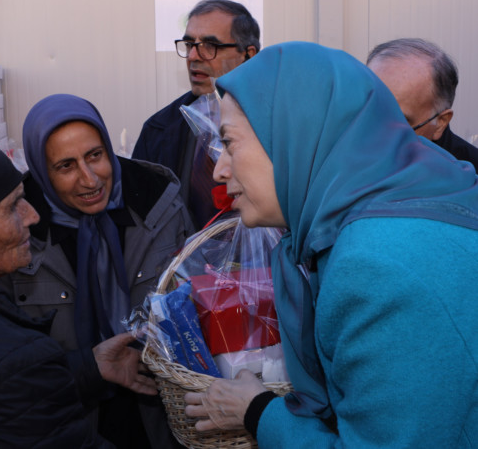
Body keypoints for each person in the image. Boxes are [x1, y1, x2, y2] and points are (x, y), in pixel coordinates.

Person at [184, 42, 478, 447]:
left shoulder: (376, 266)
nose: (219, 169)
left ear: (293, 138)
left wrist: (256, 411)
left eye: (230, 143)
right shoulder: (396, 206)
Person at [0, 94, 194, 449]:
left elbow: (196, 298)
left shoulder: (158, 205)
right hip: (69, 420)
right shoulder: (17, 236)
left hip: (162, 416)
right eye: (65, 166)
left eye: (95, 156)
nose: (89, 180)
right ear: (42, 172)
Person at [0, 137, 157, 447]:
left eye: (96, 155)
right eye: (11, 208)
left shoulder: (157, 201)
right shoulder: (11, 354)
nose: (32, 216)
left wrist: (88, 367)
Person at [132, 0, 260, 229]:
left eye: (210, 46)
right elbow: (141, 218)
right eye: (190, 44)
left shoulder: (280, 124)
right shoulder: (159, 129)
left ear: (248, 54)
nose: (193, 56)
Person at [367, 37, 478, 170]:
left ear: (440, 122)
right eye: (369, 110)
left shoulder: (471, 180)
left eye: (398, 121)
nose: (375, 134)